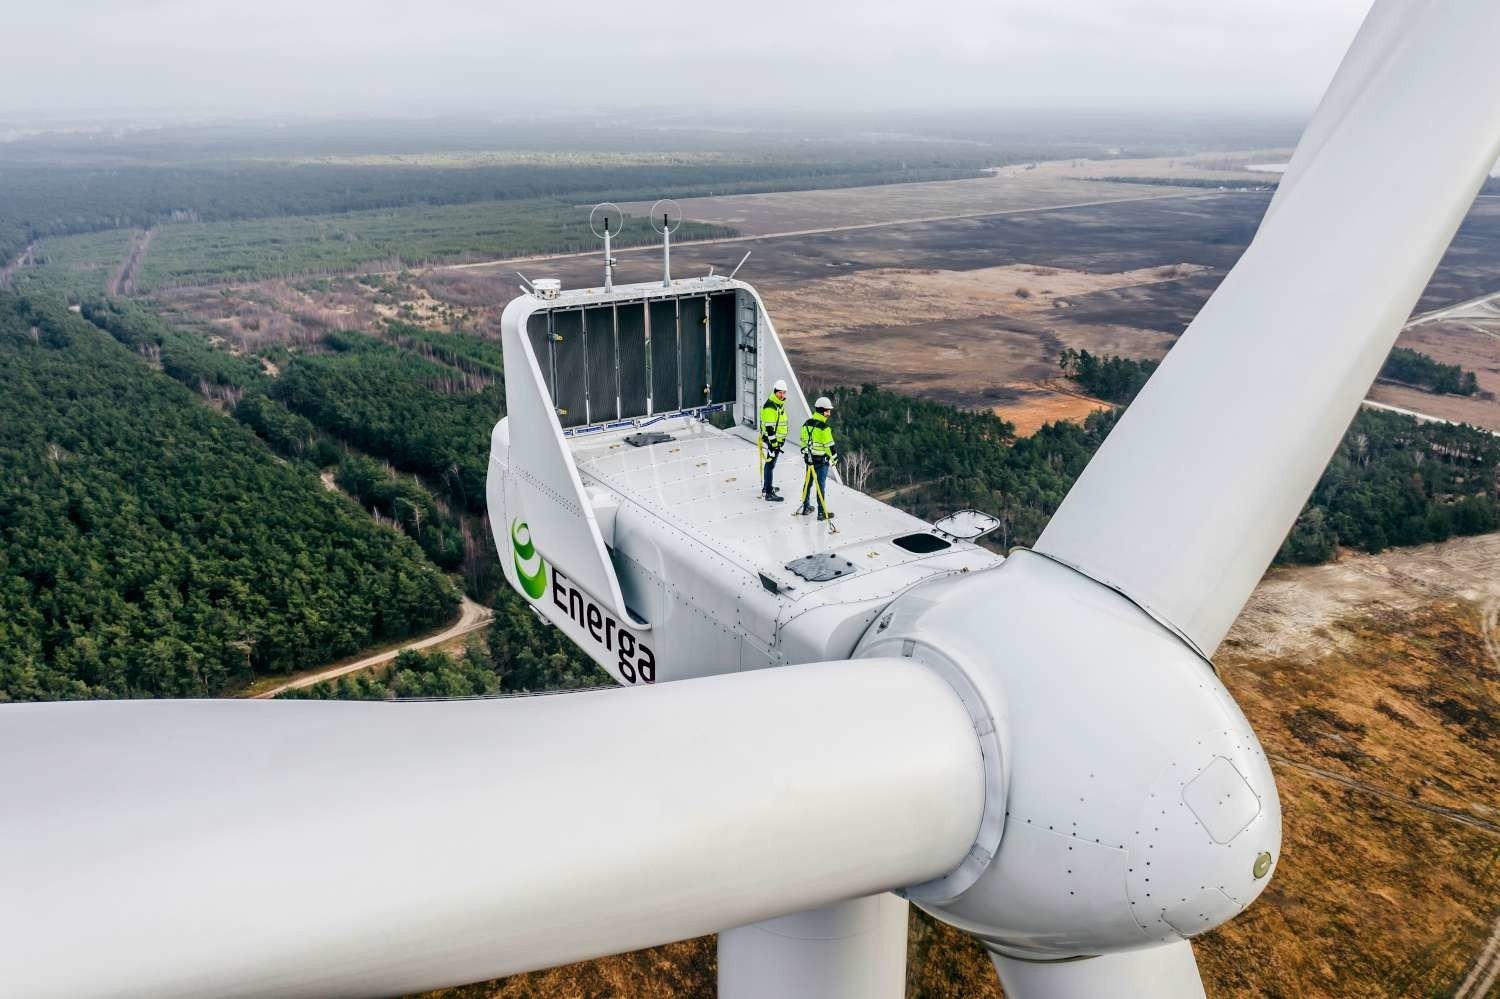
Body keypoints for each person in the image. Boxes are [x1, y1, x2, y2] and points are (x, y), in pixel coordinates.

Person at [797, 396, 837, 520]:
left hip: (809, 461)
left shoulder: (806, 424)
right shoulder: (824, 429)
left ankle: (806, 507)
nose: (829, 413)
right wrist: (834, 459)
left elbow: (803, 442)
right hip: (821, 463)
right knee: (820, 486)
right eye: (827, 411)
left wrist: (806, 453)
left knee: (807, 484)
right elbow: (830, 448)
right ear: (821, 411)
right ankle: (821, 513)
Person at [759, 379, 789, 502]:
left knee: (770, 465)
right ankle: (769, 493)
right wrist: (775, 444)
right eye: (780, 393)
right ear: (775, 392)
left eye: (784, 393)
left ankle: (767, 487)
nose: (782, 395)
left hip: (775, 442)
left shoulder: (777, 405)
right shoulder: (770, 407)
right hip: (773, 442)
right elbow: (770, 429)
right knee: (770, 465)